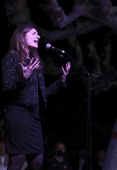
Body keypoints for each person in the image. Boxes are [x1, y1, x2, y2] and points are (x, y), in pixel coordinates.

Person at [1, 24, 71, 170]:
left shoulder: (36, 62)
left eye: (38, 34)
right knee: (18, 160)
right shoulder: (11, 58)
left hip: (34, 116)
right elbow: (7, 89)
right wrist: (23, 77)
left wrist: (61, 81)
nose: (38, 36)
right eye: (34, 33)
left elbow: (41, 93)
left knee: (38, 161)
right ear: (22, 36)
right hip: (18, 114)